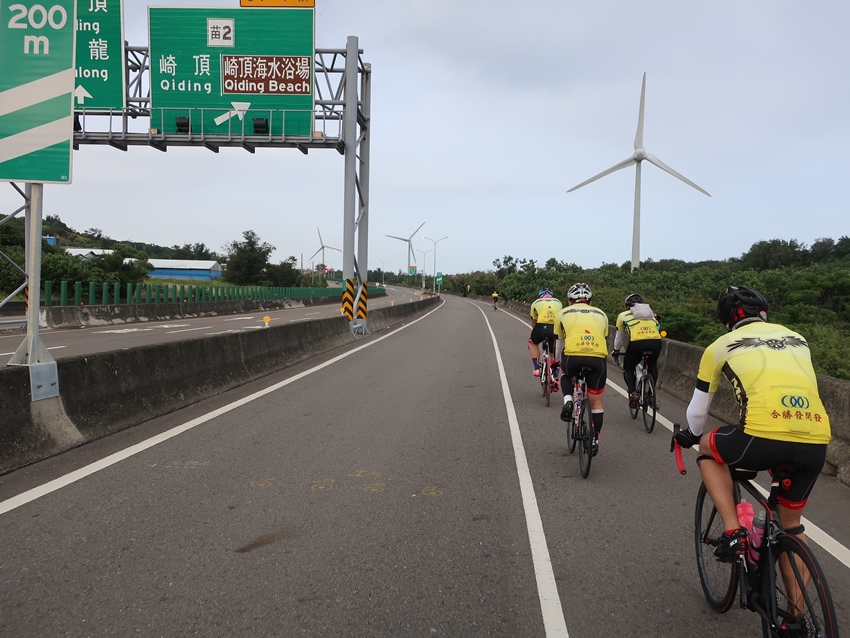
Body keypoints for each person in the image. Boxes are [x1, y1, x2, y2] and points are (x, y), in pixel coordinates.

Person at [673, 285, 831, 562]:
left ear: (727, 321)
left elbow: (698, 413)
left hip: (759, 435)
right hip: (816, 438)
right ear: (763, 313)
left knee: (707, 451)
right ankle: (796, 607)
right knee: (791, 526)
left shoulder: (720, 345)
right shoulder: (798, 338)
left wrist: (692, 435)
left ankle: (733, 532)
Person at [555, 283, 609, 456]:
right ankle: (594, 440)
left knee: (566, 374)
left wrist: (556, 362)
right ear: (590, 302)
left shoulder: (562, 312)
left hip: (573, 356)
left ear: (570, 301)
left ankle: (569, 401)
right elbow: (604, 338)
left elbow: (560, 343)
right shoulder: (602, 314)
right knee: (596, 404)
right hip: (597, 357)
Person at [612, 293, 662, 407]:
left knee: (628, 368)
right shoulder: (652, 316)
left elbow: (618, 337)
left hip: (637, 343)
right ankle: (650, 393)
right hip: (656, 342)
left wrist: (616, 350)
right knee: (652, 365)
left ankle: (634, 393)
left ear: (627, 306)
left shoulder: (623, 315)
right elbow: (658, 328)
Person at [529, 288, 563, 384]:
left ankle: (536, 369)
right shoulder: (558, 302)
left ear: (540, 296)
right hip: (554, 329)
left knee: (534, 343)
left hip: (540, 327)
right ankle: (555, 375)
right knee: (554, 352)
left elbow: (534, 321)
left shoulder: (536, 302)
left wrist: (534, 334)